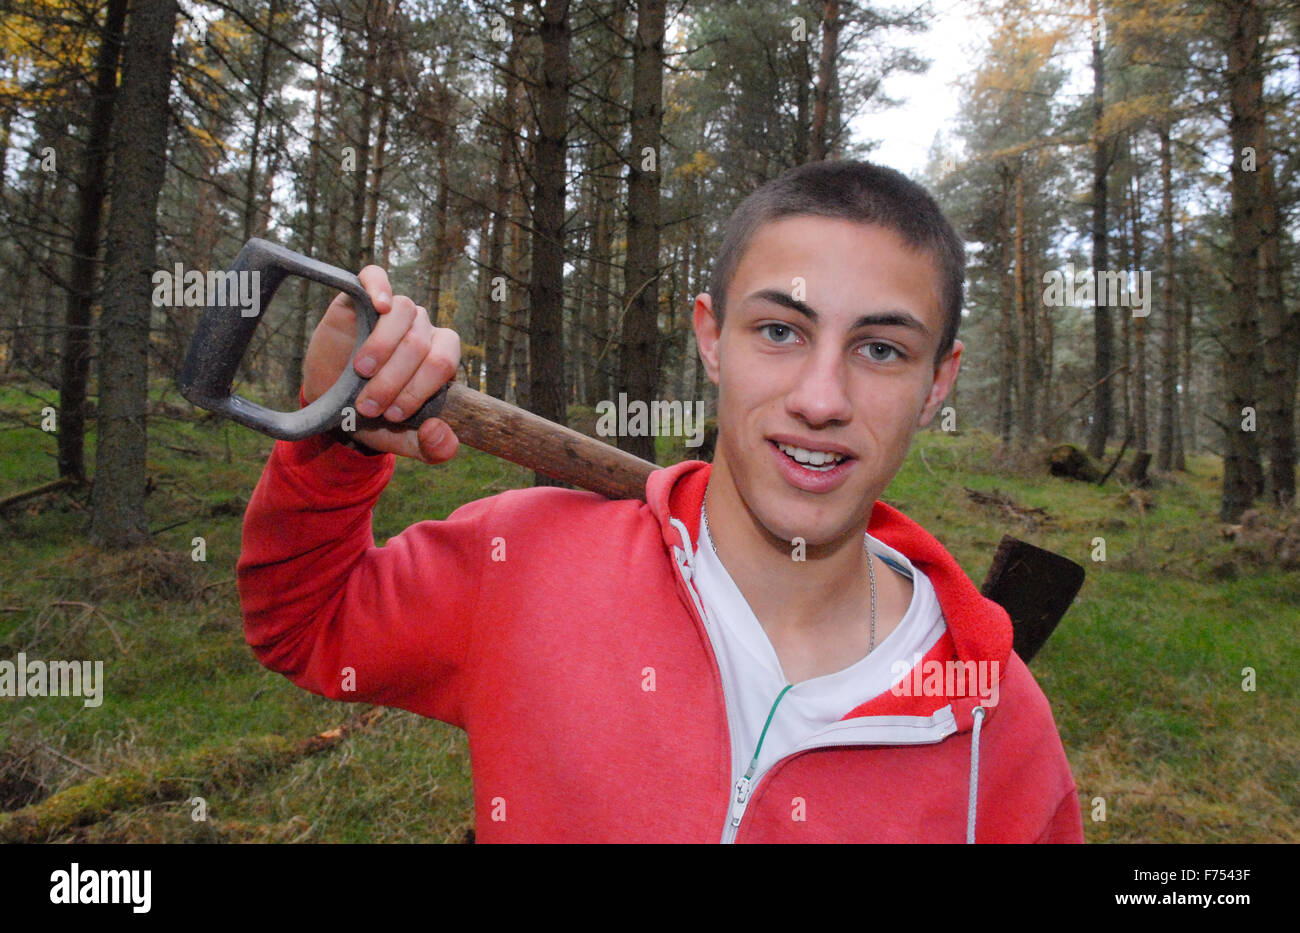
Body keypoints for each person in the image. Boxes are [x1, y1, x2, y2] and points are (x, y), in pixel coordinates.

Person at [238, 160, 1083, 843]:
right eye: (780, 331)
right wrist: (332, 443)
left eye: (881, 348)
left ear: (940, 381)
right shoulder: (526, 562)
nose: (821, 398)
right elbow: (302, 625)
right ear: (712, 339)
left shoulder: (999, 725)